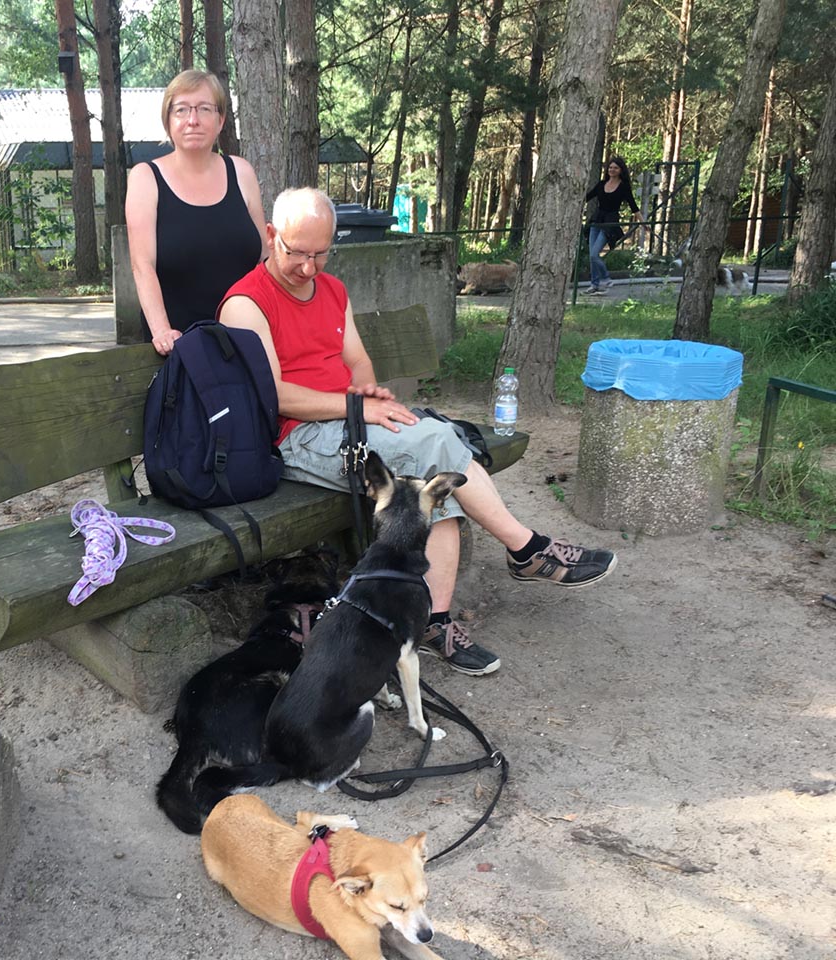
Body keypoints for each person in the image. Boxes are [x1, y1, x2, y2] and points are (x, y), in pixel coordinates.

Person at [218, 187, 618, 677]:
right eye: (297, 253)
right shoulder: (246, 303)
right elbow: (274, 395)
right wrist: (359, 407)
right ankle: (526, 548)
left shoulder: (333, 290)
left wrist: (369, 393)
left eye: (321, 254)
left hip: (348, 420)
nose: (309, 267)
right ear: (270, 235)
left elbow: (357, 361)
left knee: (435, 470)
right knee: (435, 445)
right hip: (297, 438)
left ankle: (434, 621)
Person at [126, 70, 268, 356]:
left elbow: (264, 259)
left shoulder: (242, 172)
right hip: (181, 350)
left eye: (204, 109)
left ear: (221, 119)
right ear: (168, 120)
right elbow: (142, 266)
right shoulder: (146, 178)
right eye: (181, 110)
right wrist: (162, 331)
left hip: (246, 343)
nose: (193, 120)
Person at [583, 156, 639, 296]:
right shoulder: (601, 184)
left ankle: (606, 279)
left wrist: (643, 223)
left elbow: (633, 206)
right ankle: (594, 284)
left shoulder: (623, 187)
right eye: (610, 167)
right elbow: (587, 197)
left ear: (620, 170)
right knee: (592, 255)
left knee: (595, 254)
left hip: (610, 222)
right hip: (597, 220)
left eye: (615, 168)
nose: (612, 170)